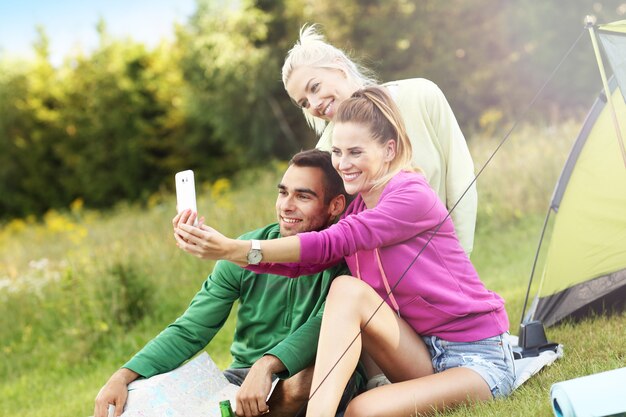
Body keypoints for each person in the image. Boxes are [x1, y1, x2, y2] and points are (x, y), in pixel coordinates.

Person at [173, 87, 515, 417]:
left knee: (362, 410)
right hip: (421, 353)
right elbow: (311, 259)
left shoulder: (411, 195)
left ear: (389, 150)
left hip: (476, 357)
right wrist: (229, 253)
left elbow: (334, 240)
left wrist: (236, 247)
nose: (343, 164)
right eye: (337, 152)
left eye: (355, 152)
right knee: (346, 290)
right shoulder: (360, 204)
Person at [94, 149, 358, 417]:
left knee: (304, 382)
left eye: (303, 196)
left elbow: (325, 326)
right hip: (242, 378)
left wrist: (268, 364)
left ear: (335, 205)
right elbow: (192, 328)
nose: (286, 205)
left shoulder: (350, 256)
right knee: (142, 399)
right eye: (283, 192)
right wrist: (123, 375)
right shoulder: (243, 251)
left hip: (316, 377)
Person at [281, 24, 477, 257]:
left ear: (338, 67)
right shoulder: (326, 151)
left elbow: (460, 179)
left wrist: (460, 256)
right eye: (304, 103)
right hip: (388, 277)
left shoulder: (422, 96)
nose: (314, 105)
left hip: (446, 257)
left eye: (314, 87)